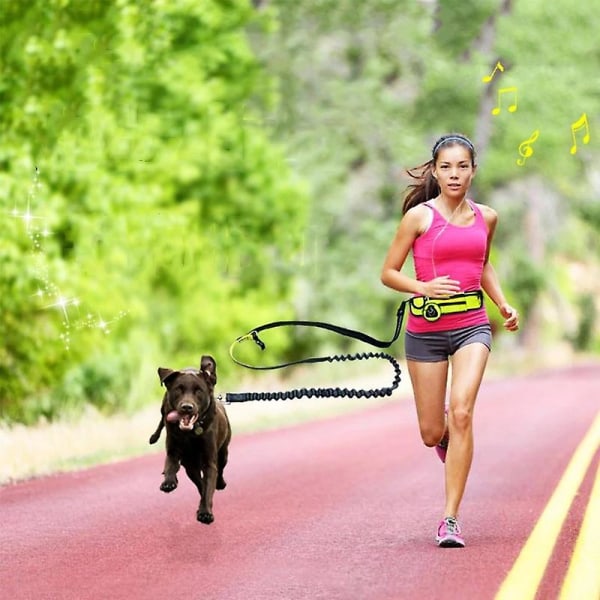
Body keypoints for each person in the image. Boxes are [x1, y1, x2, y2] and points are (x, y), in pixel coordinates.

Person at [380, 133, 519, 548]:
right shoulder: (418, 218)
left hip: (472, 326)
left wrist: (502, 303)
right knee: (431, 431)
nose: (455, 174)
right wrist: (422, 289)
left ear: (473, 170)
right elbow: (388, 272)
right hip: (426, 332)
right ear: (436, 171)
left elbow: (482, 263)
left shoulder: (487, 217)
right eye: (447, 167)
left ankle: (450, 518)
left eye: (463, 166)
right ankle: (443, 437)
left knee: (461, 413)